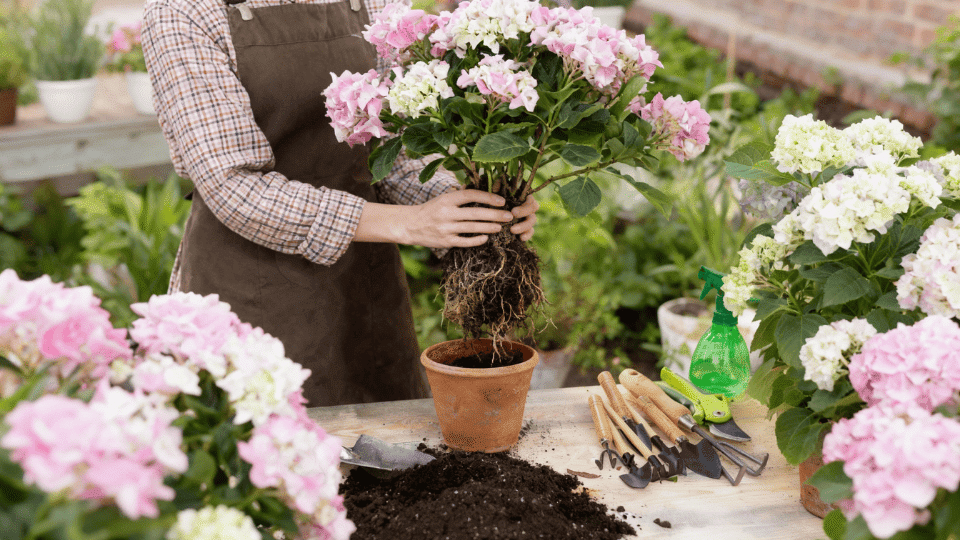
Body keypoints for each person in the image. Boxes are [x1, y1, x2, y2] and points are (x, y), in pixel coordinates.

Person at [142, 0, 539, 407]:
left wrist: (471, 210)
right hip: (248, 293)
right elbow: (235, 185)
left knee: (389, 438)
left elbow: (396, 154)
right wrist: (410, 223)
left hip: (363, 291)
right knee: (268, 439)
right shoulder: (185, 12)